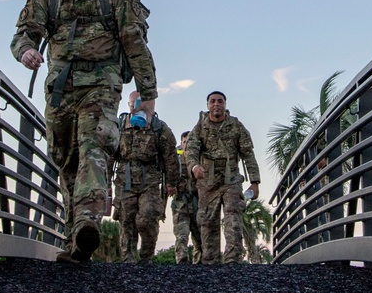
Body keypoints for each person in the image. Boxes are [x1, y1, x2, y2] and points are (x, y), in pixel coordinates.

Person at [11, 0, 158, 263]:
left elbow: (135, 44)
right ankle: (75, 238)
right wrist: (26, 52)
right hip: (60, 89)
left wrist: (147, 94)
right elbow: (24, 33)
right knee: (66, 159)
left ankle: (87, 223)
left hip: (101, 86)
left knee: (94, 149)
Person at [185, 90, 260, 264]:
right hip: (208, 181)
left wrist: (254, 182)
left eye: (220, 101)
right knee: (207, 221)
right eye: (212, 101)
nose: (216, 104)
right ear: (207, 105)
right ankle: (210, 263)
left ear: (225, 105)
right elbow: (191, 150)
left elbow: (248, 154)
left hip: (231, 179)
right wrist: (194, 166)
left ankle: (232, 261)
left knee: (233, 215)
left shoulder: (236, 126)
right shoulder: (200, 127)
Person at [110, 91, 178, 263]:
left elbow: (171, 157)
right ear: (128, 105)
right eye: (133, 104)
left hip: (151, 179)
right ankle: (128, 260)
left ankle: (147, 257)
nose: (135, 107)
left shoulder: (159, 127)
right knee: (126, 220)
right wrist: (104, 180)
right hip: (124, 178)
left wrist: (172, 183)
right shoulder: (119, 125)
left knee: (146, 218)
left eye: (139, 103)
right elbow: (109, 153)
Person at [171, 131, 203, 264]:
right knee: (181, 235)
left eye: (189, 142)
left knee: (200, 237)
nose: (186, 145)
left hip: (198, 204)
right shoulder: (175, 161)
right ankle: (182, 262)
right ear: (181, 144)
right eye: (184, 142)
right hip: (180, 204)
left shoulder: (200, 161)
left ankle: (200, 264)